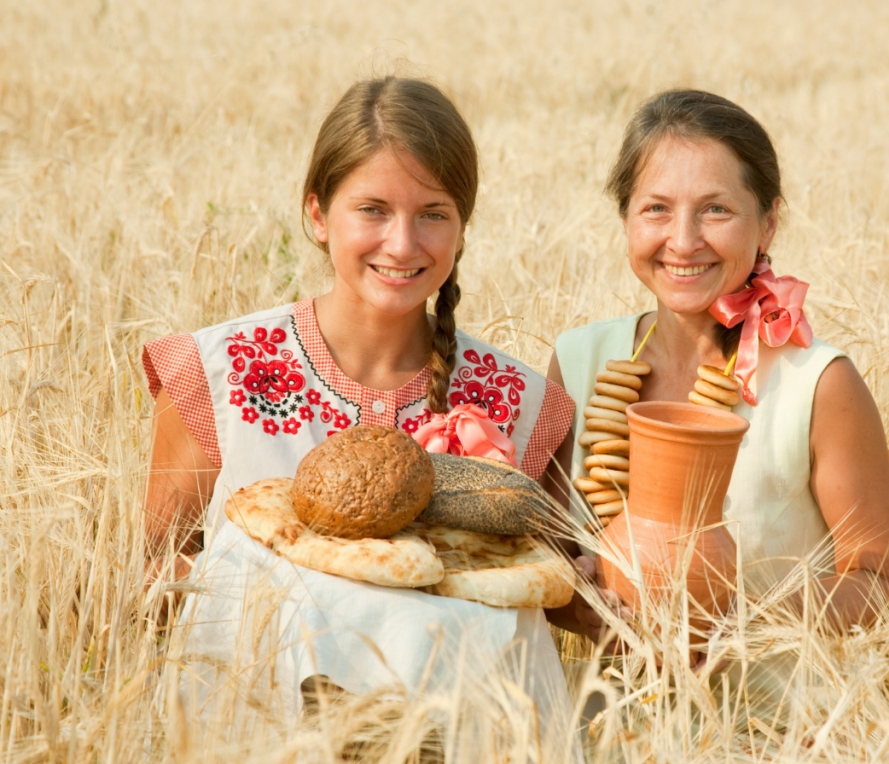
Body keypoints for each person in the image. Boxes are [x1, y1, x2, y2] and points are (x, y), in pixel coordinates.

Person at [143, 77, 576, 741]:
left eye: (433, 213)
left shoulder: (521, 406)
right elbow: (156, 578)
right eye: (372, 209)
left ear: (462, 228)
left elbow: (557, 596)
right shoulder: (217, 373)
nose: (402, 244)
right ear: (317, 214)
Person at [547, 89, 889, 718]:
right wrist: (587, 603)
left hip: (787, 732)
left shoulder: (816, 383)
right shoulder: (577, 362)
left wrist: (739, 620)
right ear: (626, 218)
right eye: (656, 209)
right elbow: (546, 562)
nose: (683, 241)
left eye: (716, 209)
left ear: (768, 222)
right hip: (616, 728)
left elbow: (883, 582)